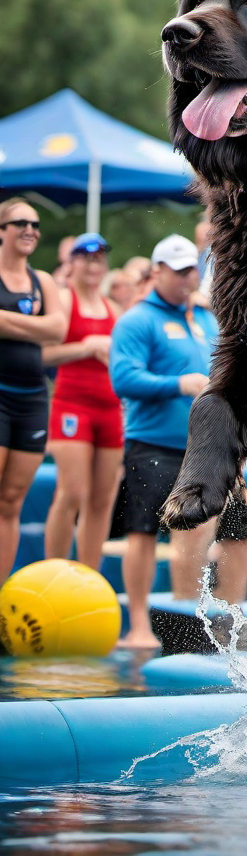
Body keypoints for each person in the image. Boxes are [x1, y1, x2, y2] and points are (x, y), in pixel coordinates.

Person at [110, 235, 247, 647]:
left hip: (211, 447)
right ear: (157, 272)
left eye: (192, 269)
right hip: (154, 443)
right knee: (145, 534)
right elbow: (123, 378)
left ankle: (229, 621)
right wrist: (178, 384)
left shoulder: (207, 318)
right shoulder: (138, 320)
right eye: (178, 270)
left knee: (236, 534)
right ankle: (150, 621)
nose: (188, 277)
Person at [42, 233, 123, 570]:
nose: (94, 265)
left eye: (99, 259)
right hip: (72, 405)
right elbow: (44, 354)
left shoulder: (113, 309)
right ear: (72, 262)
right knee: (72, 492)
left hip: (109, 408)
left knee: (102, 500)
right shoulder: (62, 300)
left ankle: (88, 575)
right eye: (87, 258)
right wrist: (87, 346)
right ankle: (55, 571)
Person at [0, 199, 65, 585]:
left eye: (35, 224)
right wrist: (34, 323)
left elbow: (58, 329)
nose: (30, 230)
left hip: (32, 399)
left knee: (11, 503)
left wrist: (8, 321)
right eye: (20, 222)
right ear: (1, 231)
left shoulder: (44, 281)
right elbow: (47, 327)